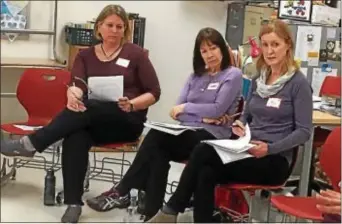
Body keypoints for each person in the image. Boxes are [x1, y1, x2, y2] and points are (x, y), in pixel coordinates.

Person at [0, 4, 160, 223]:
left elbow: (154, 92)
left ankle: (32, 143)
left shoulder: (136, 54)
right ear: (99, 28)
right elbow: (77, 84)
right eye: (110, 25)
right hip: (93, 120)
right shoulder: (85, 56)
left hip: (126, 118)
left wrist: (132, 104)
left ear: (125, 30)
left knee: (89, 107)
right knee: (76, 135)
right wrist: (73, 95)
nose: (115, 30)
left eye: (120, 27)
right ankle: (73, 203)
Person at [146, 19, 313, 223]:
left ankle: (171, 209)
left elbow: (304, 132)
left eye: (275, 44)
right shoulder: (258, 79)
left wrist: (269, 149)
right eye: (265, 45)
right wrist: (241, 123)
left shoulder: (298, 84)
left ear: (288, 45)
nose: (270, 51)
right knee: (205, 171)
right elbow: (248, 113)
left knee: (202, 151)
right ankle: (176, 213)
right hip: (246, 149)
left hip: (273, 160)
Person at [86, 27, 243, 221]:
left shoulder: (232, 74)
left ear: (222, 49)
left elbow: (217, 109)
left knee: (156, 138)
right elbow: (176, 111)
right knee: (158, 150)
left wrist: (189, 109)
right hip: (190, 132)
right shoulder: (195, 76)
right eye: (204, 51)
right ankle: (152, 214)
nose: (209, 54)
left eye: (213, 48)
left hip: (214, 137)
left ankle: (123, 189)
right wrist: (200, 115)